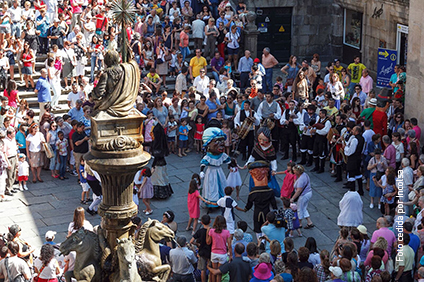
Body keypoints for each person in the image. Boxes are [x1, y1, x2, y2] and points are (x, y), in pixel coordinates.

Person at [244, 161, 277, 237]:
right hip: (266, 212)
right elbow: (273, 204)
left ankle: (259, 241)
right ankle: (264, 241)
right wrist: (275, 210)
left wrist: (246, 209)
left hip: (257, 212)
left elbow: (249, 204)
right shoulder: (270, 191)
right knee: (266, 227)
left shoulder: (253, 192)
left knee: (258, 228)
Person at [207, 215, 232, 282]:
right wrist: (231, 255)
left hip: (214, 253)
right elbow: (229, 245)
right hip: (223, 254)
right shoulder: (227, 232)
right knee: (219, 273)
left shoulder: (212, 231)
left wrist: (208, 233)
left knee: (214, 272)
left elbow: (208, 242)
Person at [290, 164, 314, 229]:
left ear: (298, 172)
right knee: (304, 208)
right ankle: (309, 222)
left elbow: (299, 190)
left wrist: (293, 198)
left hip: (303, 195)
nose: (293, 172)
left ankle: (299, 223)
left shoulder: (301, 179)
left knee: (299, 208)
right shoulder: (305, 175)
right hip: (308, 193)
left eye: (294, 171)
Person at [343, 125, 365, 195]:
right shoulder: (362, 138)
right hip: (358, 158)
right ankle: (360, 190)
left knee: (351, 174)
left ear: (357, 131)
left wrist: (345, 148)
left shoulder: (355, 139)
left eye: (353, 130)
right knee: (358, 174)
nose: (352, 131)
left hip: (353, 159)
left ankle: (352, 191)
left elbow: (351, 151)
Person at [190, 214, 211, 282]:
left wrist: (197, 244)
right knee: (211, 268)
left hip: (202, 252)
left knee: (203, 270)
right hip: (210, 252)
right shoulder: (212, 231)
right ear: (210, 221)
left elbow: (191, 241)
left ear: (201, 222)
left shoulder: (200, 231)